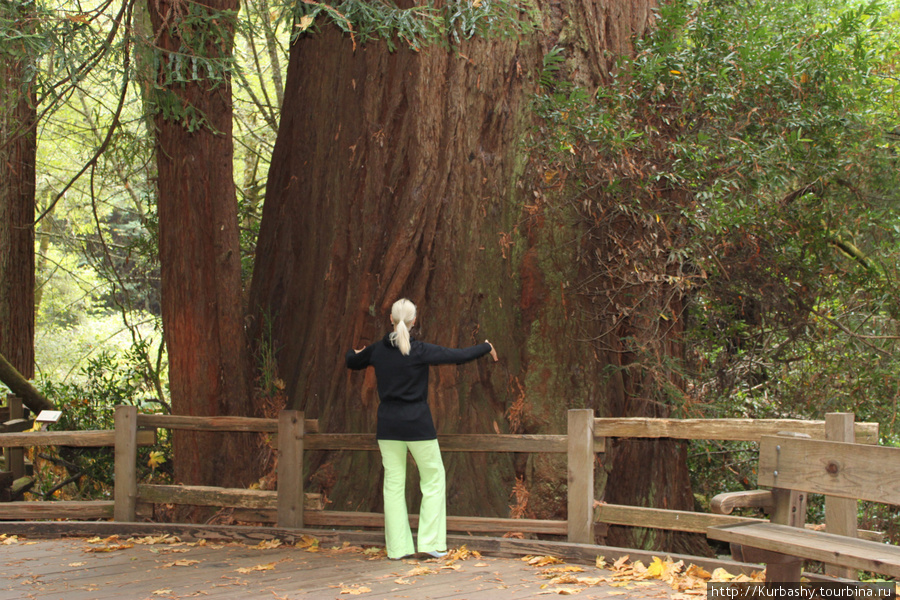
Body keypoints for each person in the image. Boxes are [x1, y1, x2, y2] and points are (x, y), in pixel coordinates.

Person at [345, 298, 498, 560]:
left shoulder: (377, 351)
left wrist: (355, 352)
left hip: (388, 426)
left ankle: (398, 549)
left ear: (390, 320)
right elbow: (457, 355)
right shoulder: (419, 350)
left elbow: (351, 361)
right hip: (418, 424)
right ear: (414, 321)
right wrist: (485, 347)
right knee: (434, 479)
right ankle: (430, 544)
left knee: (393, 484)